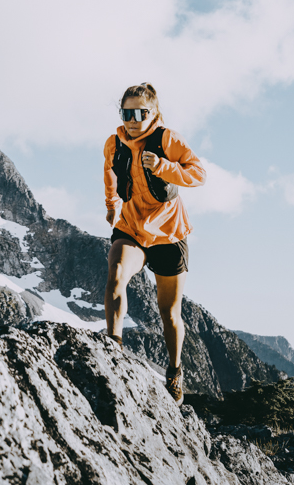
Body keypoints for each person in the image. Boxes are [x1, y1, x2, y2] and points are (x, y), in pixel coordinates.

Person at [104, 82, 206, 404]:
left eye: (141, 112)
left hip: (169, 234)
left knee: (169, 313)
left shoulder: (167, 140)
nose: (133, 119)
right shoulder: (114, 143)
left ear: (154, 113)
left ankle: (175, 372)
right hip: (132, 227)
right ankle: (113, 351)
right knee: (117, 272)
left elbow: (199, 173)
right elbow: (110, 172)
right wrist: (111, 205)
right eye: (127, 112)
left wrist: (164, 167)